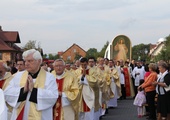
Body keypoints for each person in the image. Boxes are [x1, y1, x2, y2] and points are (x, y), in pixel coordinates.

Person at [4, 49, 58, 120]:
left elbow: (53, 97)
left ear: (39, 61)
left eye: (30, 61)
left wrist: (34, 90)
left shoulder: (49, 77)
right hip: (21, 115)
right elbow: (7, 93)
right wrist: (23, 90)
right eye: (25, 61)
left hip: (41, 116)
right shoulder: (17, 76)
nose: (26, 63)